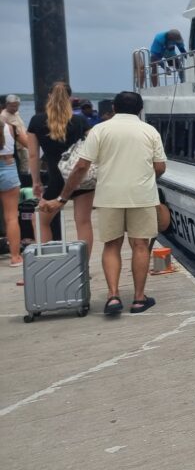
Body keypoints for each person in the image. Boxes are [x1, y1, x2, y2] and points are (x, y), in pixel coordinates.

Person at [42, 91, 166, 315]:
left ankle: (113, 296)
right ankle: (139, 299)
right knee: (140, 245)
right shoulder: (150, 131)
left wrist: (62, 198)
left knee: (111, 246)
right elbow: (160, 167)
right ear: (140, 110)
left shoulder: (100, 129)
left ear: (114, 109)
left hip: (109, 196)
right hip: (142, 195)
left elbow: (81, 167)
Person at [27, 82, 94, 259]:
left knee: (40, 221)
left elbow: (33, 155)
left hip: (57, 179)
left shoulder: (37, 121)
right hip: (80, 177)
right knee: (83, 222)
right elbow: (94, 146)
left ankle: (48, 261)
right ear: (70, 99)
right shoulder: (80, 121)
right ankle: (83, 266)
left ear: (49, 96)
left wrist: (36, 182)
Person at [1, 117, 30, 266]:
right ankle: (15, 257)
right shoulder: (10, 126)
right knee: (11, 217)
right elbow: (29, 144)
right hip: (8, 168)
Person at [1, 94, 29, 180]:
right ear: (7, 104)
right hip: (15, 148)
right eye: (13, 106)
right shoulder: (3, 116)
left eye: (17, 106)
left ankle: (25, 181)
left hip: (23, 146)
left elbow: (21, 128)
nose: (15, 108)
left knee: (26, 167)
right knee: (18, 169)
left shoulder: (16, 113)